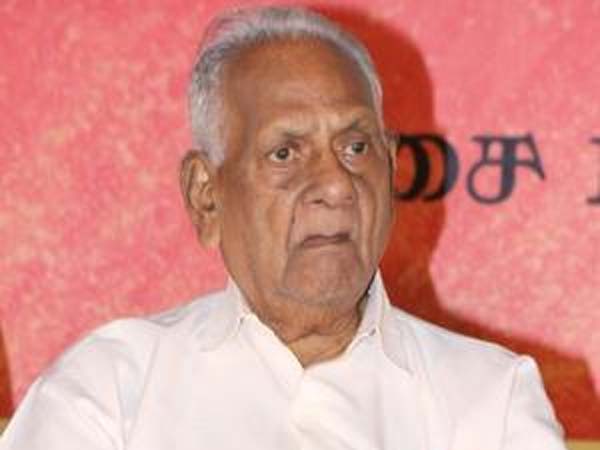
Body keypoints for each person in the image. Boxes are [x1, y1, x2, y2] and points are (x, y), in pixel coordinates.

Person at [1, 6, 566, 450]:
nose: (336, 184)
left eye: (355, 147)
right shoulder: (109, 394)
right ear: (206, 195)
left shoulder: (489, 402)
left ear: (393, 168)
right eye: (285, 153)